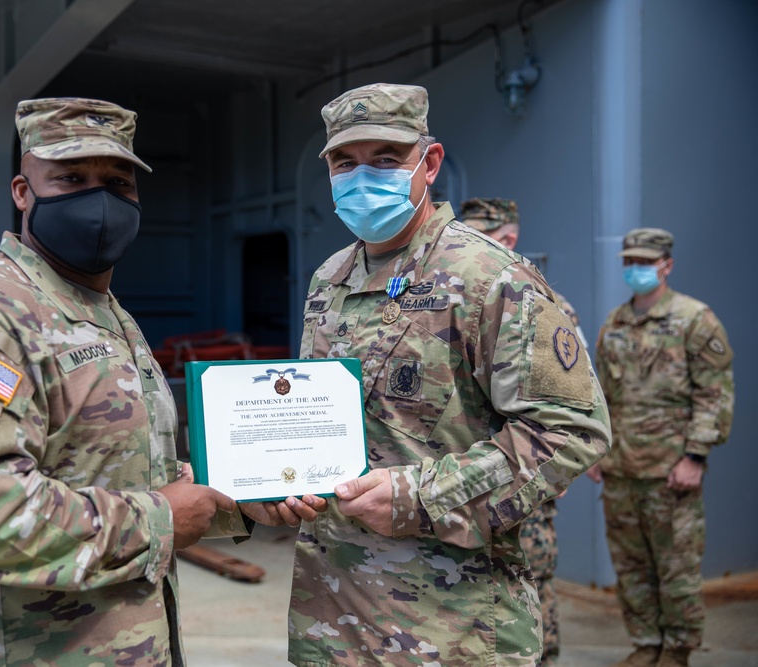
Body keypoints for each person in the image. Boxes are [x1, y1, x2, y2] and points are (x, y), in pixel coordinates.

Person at [0, 97, 318, 667]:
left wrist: (237, 498)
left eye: (118, 182)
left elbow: (128, 474)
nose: (99, 200)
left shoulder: (102, 313)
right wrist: (161, 519)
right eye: (70, 177)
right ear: (23, 191)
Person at [288, 83, 612, 667]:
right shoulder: (328, 279)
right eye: (345, 162)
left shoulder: (489, 276)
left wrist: (419, 496)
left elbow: (570, 429)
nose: (362, 176)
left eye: (385, 159)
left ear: (429, 162)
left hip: (449, 621)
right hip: (332, 612)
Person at [588, 228, 733, 667]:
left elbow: (715, 393)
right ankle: (646, 644)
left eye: (645, 263)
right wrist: (597, 450)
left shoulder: (695, 319)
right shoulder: (614, 323)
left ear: (667, 265)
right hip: (620, 470)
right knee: (631, 569)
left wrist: (695, 457)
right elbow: (601, 396)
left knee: (676, 570)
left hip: (671, 472)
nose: (636, 270)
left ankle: (678, 650)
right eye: (629, 262)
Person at [460, 197, 584, 667]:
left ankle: (543, 657)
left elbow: (568, 407)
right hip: (470, 475)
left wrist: (560, 470)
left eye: (475, 235)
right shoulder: (464, 295)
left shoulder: (542, 303)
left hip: (523, 474)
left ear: (506, 238)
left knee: (532, 574)